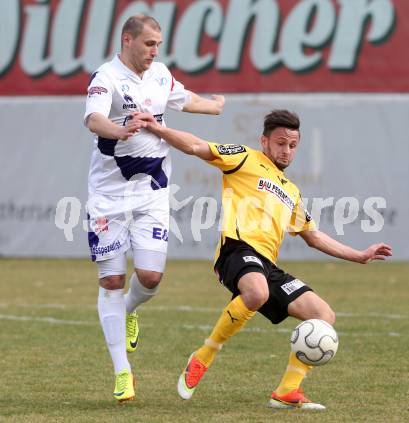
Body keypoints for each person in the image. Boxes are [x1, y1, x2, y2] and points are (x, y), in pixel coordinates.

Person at [135, 109, 392, 410]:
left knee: (324, 316)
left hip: (267, 265)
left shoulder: (291, 192)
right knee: (256, 292)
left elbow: (314, 236)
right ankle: (204, 355)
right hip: (237, 250)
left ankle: (286, 391)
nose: (287, 150)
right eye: (281, 143)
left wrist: (360, 256)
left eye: (293, 145)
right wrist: (157, 129)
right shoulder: (244, 158)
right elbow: (196, 146)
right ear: (265, 141)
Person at [84, 14, 225, 402]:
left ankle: (130, 310)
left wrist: (213, 106)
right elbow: (94, 119)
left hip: (152, 194)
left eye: (158, 44)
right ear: (127, 40)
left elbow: (184, 99)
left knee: (149, 277)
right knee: (111, 280)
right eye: (149, 43)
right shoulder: (105, 77)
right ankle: (122, 373)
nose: (155, 51)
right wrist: (121, 129)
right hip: (107, 198)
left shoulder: (160, 75)